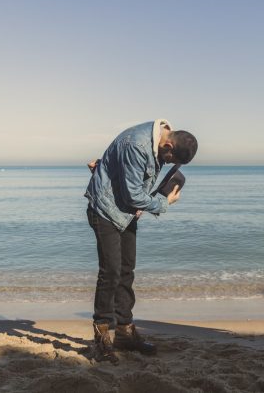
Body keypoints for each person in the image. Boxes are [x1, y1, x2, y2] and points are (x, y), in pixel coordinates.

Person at [85, 119, 198, 363]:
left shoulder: (159, 140)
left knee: (127, 270)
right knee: (111, 272)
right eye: (169, 159)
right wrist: (164, 204)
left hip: (125, 212)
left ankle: (124, 333)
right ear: (168, 144)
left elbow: (128, 178)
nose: (167, 162)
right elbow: (133, 194)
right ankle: (101, 337)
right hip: (105, 211)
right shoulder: (136, 144)